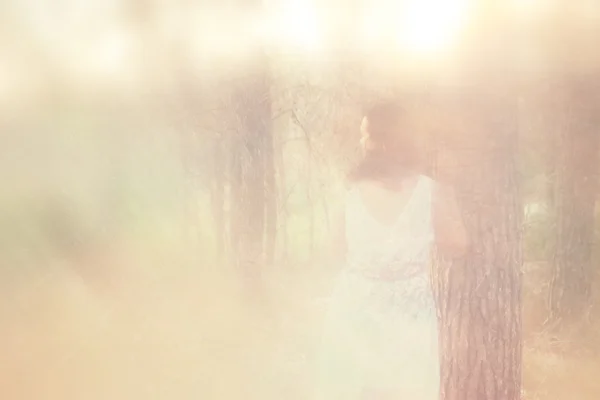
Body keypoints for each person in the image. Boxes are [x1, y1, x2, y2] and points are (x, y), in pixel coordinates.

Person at [314, 100, 468, 399]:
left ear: (381, 141)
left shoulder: (349, 190)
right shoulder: (430, 190)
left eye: (365, 134)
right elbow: (459, 244)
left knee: (355, 388)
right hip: (408, 308)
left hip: (358, 304)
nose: (361, 141)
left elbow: (333, 250)